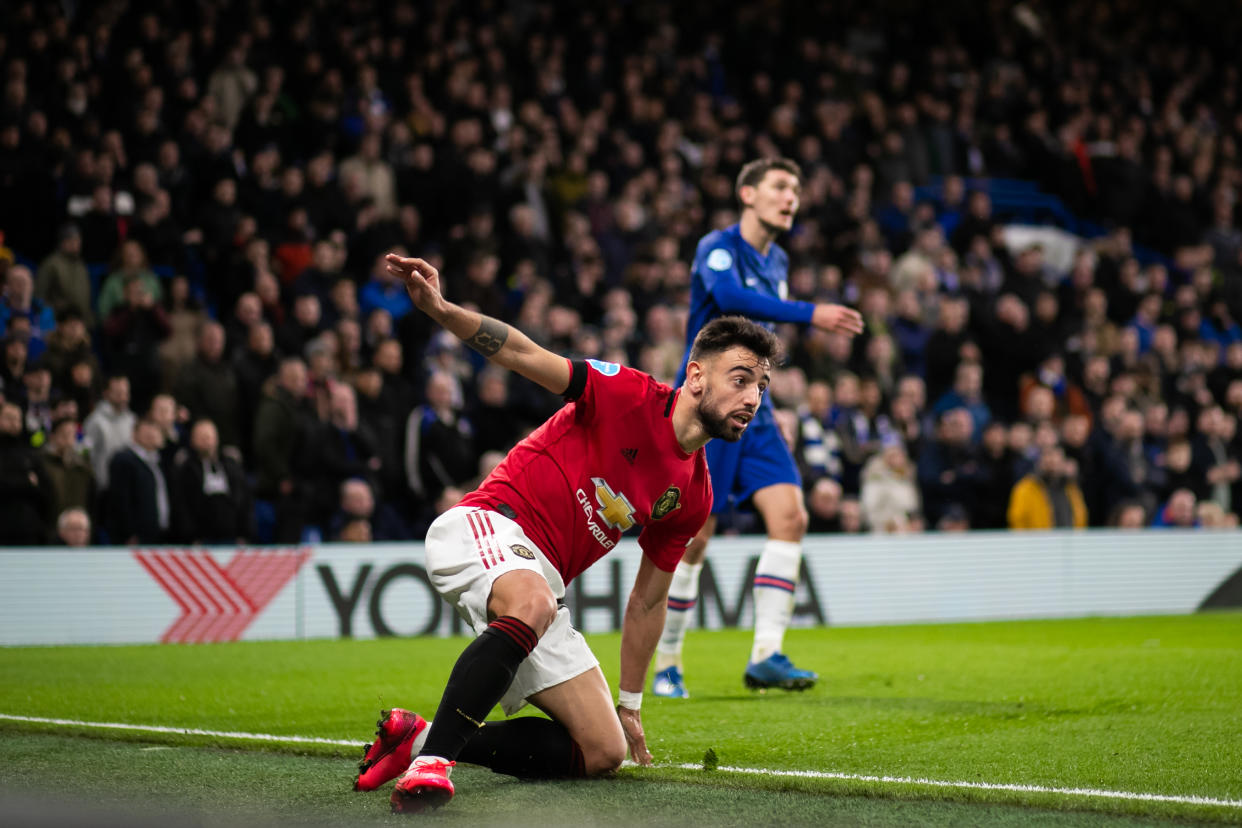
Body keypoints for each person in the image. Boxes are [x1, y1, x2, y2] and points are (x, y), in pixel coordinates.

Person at [352, 253, 779, 815]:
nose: (753, 398)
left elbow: (649, 599)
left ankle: (420, 741)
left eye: (762, 387)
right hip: (490, 523)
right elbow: (524, 354)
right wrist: (441, 309)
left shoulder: (694, 494)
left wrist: (630, 702)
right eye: (742, 379)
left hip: (540, 583)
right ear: (697, 376)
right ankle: (433, 768)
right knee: (532, 602)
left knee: (602, 750)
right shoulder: (626, 392)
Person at [651, 158, 863, 699]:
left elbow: (762, 337)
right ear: (747, 193)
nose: (791, 197)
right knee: (695, 537)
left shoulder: (779, 260)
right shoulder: (717, 248)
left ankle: (766, 654)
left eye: (796, 189)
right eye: (780, 187)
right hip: (707, 406)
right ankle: (668, 660)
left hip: (757, 409)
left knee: (790, 517)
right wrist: (811, 312)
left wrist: (775, 400)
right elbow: (731, 303)